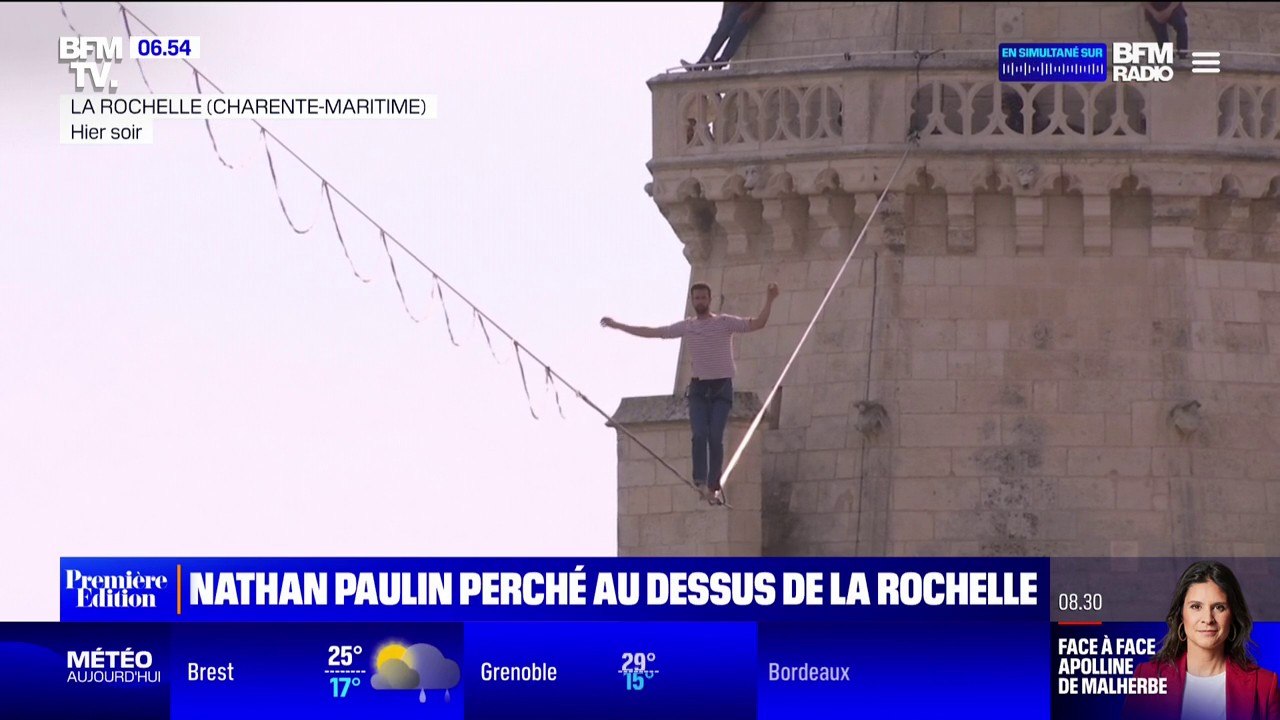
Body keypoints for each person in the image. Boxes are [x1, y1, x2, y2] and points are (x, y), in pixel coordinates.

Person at [601, 281, 777, 505]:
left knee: (715, 436)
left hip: (722, 388)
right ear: (692, 301)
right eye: (696, 299)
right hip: (699, 389)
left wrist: (770, 299)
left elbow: (758, 324)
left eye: (703, 298)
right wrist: (619, 325)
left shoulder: (724, 322)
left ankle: (714, 486)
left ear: (709, 300)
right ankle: (700, 481)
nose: (700, 302)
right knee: (699, 434)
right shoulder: (688, 326)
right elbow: (654, 333)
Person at [1123, 561, 1280, 720]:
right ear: (1181, 615)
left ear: (1232, 616)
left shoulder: (1265, 685)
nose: (1208, 619)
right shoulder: (1147, 677)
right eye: (1196, 607)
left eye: (1219, 607)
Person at [682, 2, 768, 71]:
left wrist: (752, 10)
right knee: (720, 32)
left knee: (737, 31)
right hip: (735, 6)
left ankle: (722, 61)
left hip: (752, 7)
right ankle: (703, 63)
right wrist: (723, 15)